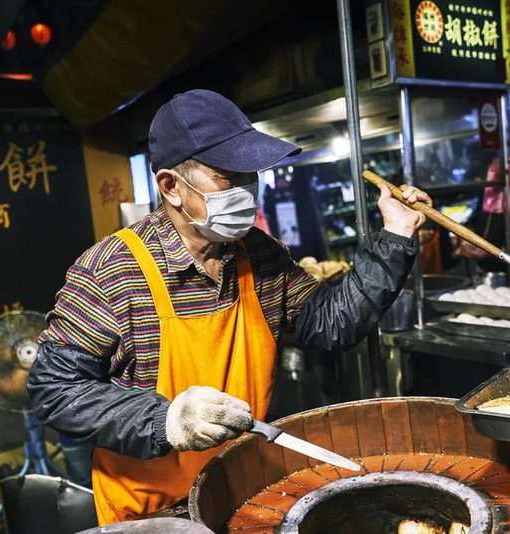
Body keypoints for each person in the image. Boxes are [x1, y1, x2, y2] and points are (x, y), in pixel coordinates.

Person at [27, 89, 431, 523]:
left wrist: (396, 236)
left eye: (250, 176)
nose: (246, 190)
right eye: (228, 177)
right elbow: (54, 392)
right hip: (154, 512)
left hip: (242, 491)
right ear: (171, 187)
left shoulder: (259, 254)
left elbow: (332, 324)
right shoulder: (111, 272)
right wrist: (167, 420)